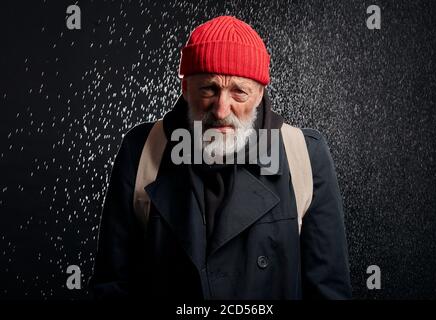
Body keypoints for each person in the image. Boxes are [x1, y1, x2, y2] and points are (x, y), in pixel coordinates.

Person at [89, 15, 352, 300]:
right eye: (209, 89)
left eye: (239, 91)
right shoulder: (140, 149)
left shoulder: (304, 154)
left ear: (260, 93)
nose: (221, 109)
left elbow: (329, 291)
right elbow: (112, 287)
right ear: (186, 88)